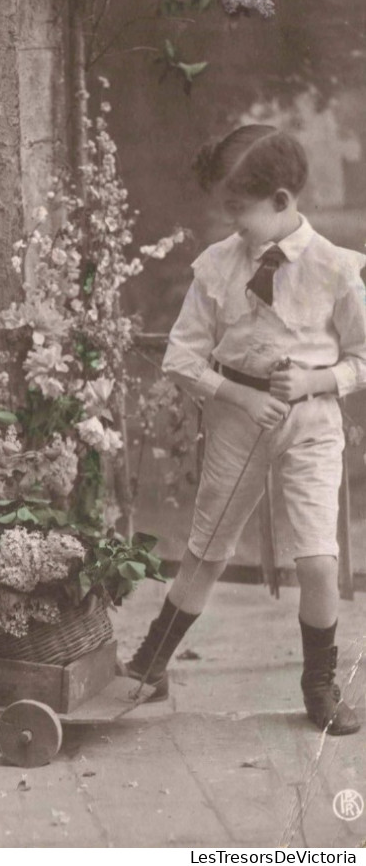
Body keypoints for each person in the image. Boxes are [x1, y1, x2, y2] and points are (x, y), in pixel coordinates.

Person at [125, 124, 366, 735]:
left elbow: (362, 357)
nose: (233, 224)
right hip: (237, 418)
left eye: (240, 210)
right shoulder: (217, 266)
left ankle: (319, 682)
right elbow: (181, 356)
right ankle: (151, 665)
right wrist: (236, 394)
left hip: (310, 422)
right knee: (207, 547)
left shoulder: (336, 269)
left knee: (317, 559)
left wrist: (314, 382)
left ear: (283, 201)